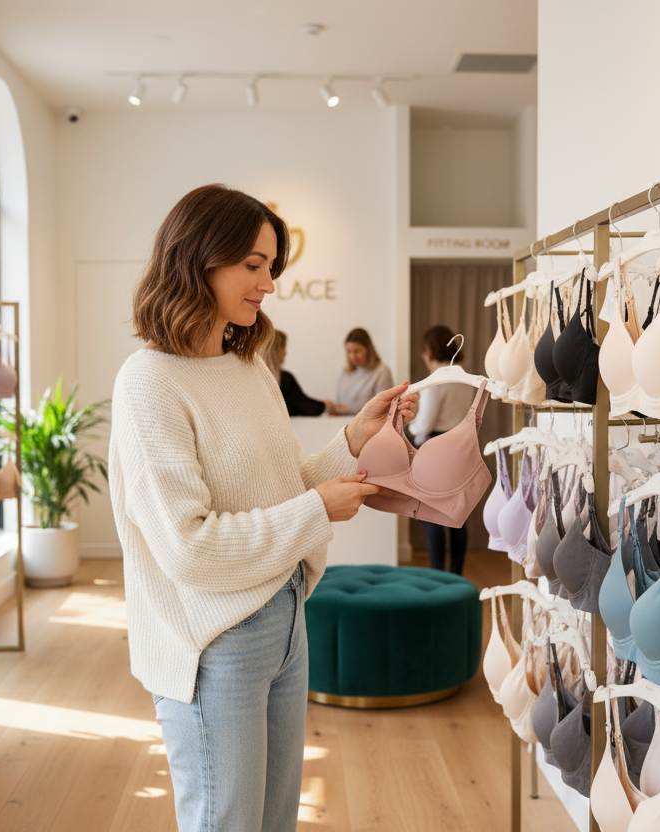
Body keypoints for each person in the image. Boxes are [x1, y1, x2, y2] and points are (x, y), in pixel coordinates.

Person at [108, 184, 418, 832]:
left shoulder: (248, 365)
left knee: (276, 820)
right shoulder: (149, 382)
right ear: (198, 260)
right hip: (214, 639)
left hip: (285, 616)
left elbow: (280, 488)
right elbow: (188, 547)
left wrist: (354, 437)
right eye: (253, 265)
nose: (268, 283)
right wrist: (315, 512)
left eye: (271, 266)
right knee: (227, 822)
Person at [406, 325, 476, 575]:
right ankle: (457, 574)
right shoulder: (464, 376)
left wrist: (411, 428)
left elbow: (425, 423)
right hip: (460, 447)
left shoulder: (435, 379)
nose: (424, 357)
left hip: (435, 447)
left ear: (431, 351)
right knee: (458, 515)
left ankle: (437, 574)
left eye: (424, 351)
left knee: (431, 512)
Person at [261, 329, 334, 416]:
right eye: (284, 348)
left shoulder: (256, 376)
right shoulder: (285, 378)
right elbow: (302, 405)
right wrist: (324, 405)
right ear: (277, 350)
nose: (285, 353)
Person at [331, 327, 394, 415]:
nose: (353, 357)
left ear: (368, 349)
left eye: (357, 351)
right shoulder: (344, 372)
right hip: (343, 425)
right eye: (349, 352)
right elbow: (337, 404)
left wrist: (345, 408)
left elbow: (383, 407)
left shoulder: (382, 372)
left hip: (368, 426)